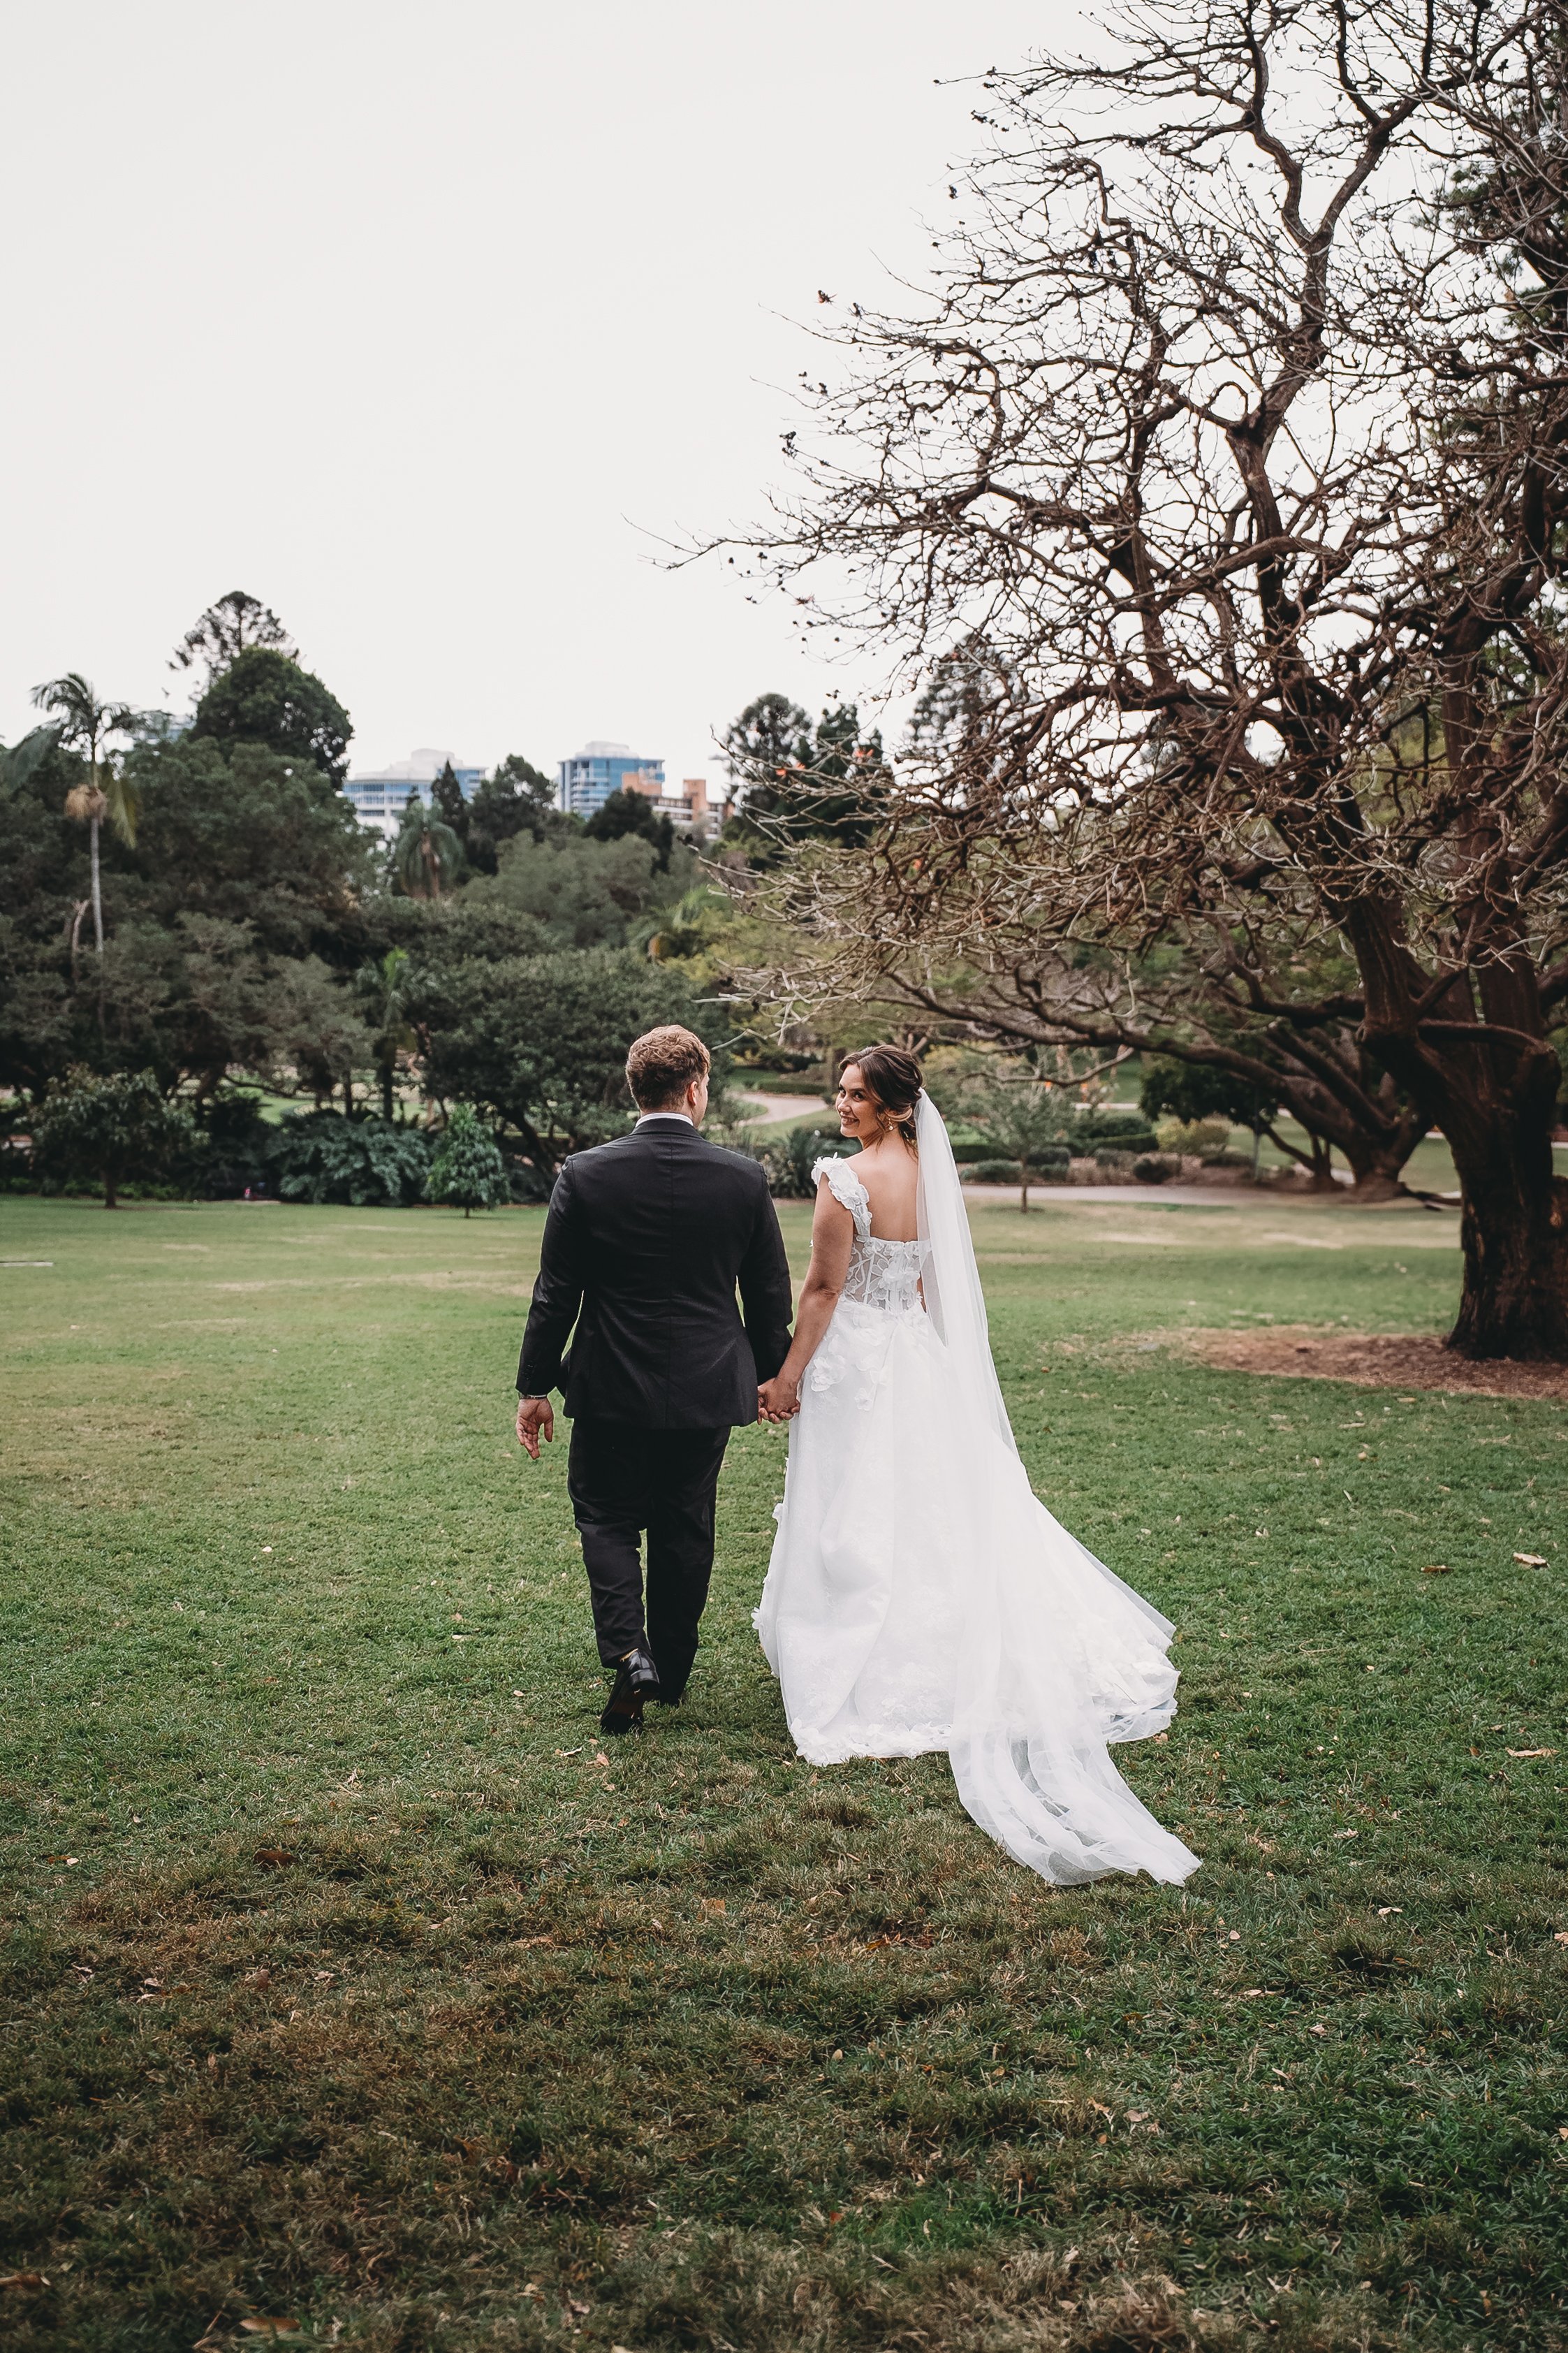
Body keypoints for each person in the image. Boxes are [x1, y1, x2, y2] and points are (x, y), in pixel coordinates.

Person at [754, 1046, 1199, 1887]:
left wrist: (786, 1375)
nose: (841, 1104)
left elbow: (820, 1288)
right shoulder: (932, 1174)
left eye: (857, 1095)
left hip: (855, 1358)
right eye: (841, 1093)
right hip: (915, 1356)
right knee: (931, 1503)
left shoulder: (843, 1179)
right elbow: (926, 1283)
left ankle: (869, 1650)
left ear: (890, 1106)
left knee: (860, 1503)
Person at [515, 1025, 793, 1735]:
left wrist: (534, 1386)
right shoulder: (742, 1178)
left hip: (610, 1380)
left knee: (606, 1515)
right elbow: (768, 1296)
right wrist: (774, 1375)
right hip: (707, 1386)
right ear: (696, 1089)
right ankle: (668, 1665)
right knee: (684, 1523)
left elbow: (556, 1292)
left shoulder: (584, 1173)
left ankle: (627, 1651)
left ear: (636, 1090)